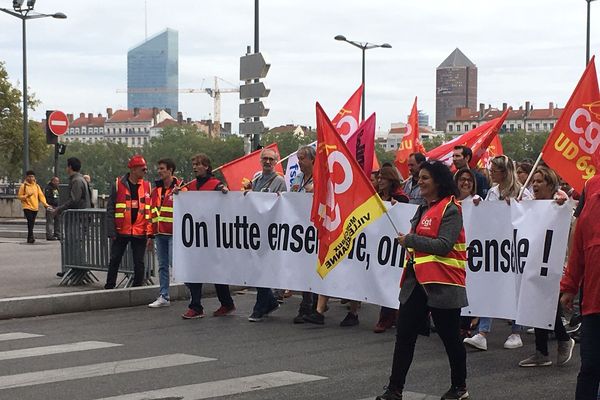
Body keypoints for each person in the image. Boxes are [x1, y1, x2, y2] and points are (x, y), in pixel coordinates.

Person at [376, 160, 469, 400]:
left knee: (450, 339)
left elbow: (444, 245)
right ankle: (394, 389)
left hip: (443, 286)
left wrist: (411, 240)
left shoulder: (451, 208)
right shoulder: (422, 209)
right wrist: (410, 244)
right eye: (419, 177)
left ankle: (459, 387)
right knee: (404, 336)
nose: (419, 181)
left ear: (438, 182)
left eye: (425, 178)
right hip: (416, 283)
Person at [464, 155, 533, 351]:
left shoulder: (522, 193)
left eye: (494, 170)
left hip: (515, 249)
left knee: (514, 289)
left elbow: (532, 217)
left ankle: (516, 331)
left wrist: (517, 208)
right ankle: (482, 333)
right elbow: (487, 218)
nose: (491, 172)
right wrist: (478, 205)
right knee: (491, 286)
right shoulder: (493, 192)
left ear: (503, 172)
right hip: (496, 250)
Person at [518, 166, 575, 367]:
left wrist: (561, 203)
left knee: (545, 302)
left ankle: (562, 340)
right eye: (533, 181)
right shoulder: (530, 207)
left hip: (552, 263)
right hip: (533, 262)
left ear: (550, 185)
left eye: (539, 181)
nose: (534, 184)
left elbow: (568, 222)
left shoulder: (559, 204)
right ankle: (543, 351)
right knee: (537, 301)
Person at [179, 153, 235, 319]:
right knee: (195, 271)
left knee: (217, 271)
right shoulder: (191, 185)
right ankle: (196, 306)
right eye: (194, 164)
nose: (195, 167)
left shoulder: (215, 184)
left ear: (207, 167)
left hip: (212, 236)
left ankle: (227, 303)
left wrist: (224, 191)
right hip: (196, 236)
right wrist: (177, 194)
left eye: (198, 164)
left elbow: (225, 198)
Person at [561, 174, 600, 399]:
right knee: (590, 367)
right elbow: (579, 242)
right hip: (594, 298)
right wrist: (570, 284)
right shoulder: (591, 186)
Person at [248, 147, 287, 322]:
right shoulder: (256, 180)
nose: (268, 162)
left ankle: (259, 307)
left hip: (270, 229)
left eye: (271, 159)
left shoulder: (279, 181)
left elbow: (283, 203)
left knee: (262, 269)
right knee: (256, 268)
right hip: (256, 229)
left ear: (276, 162)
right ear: (261, 160)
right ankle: (269, 301)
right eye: (265, 159)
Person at [104, 155, 153, 289]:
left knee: (139, 262)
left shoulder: (147, 186)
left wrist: (149, 233)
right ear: (133, 169)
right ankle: (109, 287)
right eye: (143, 169)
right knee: (115, 259)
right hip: (121, 231)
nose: (145, 171)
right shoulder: (118, 184)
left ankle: (137, 288)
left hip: (140, 231)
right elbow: (110, 208)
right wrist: (111, 231)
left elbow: (150, 210)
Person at [374, 164, 409, 333]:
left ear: (391, 180)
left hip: (394, 248)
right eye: (379, 177)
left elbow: (404, 217)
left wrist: (397, 207)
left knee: (393, 281)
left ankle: (387, 317)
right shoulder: (376, 197)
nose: (380, 180)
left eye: (383, 178)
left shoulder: (401, 199)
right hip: (377, 245)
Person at [148, 158, 184, 309]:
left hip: (174, 234)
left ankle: (193, 291)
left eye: (162, 168)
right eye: (159, 168)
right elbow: (151, 214)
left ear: (170, 170)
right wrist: (150, 235)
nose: (159, 171)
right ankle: (164, 295)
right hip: (159, 233)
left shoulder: (182, 188)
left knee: (175, 264)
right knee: (162, 266)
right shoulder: (156, 191)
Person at [290, 145, 319, 324]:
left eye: (302, 158)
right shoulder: (298, 178)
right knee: (303, 267)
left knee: (313, 267)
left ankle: (314, 304)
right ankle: (306, 302)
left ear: (312, 160)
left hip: (315, 228)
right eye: (298, 158)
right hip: (300, 229)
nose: (299, 162)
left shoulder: (321, 178)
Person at [18, 170, 52, 244]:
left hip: (35, 207)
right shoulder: (23, 186)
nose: (31, 178)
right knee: (30, 221)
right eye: (29, 176)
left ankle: (29, 237)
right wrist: (27, 196)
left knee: (32, 223)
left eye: (32, 176)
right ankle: (31, 237)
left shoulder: (36, 186)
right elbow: (20, 196)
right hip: (27, 206)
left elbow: (41, 196)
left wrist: (46, 204)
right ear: (26, 177)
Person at [44, 176, 60, 240]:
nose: (58, 182)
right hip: (51, 206)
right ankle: (49, 235)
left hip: (56, 206)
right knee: (50, 221)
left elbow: (56, 197)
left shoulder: (55, 188)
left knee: (57, 221)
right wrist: (49, 205)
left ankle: (57, 234)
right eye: (56, 181)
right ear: (53, 181)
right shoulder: (48, 188)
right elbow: (47, 198)